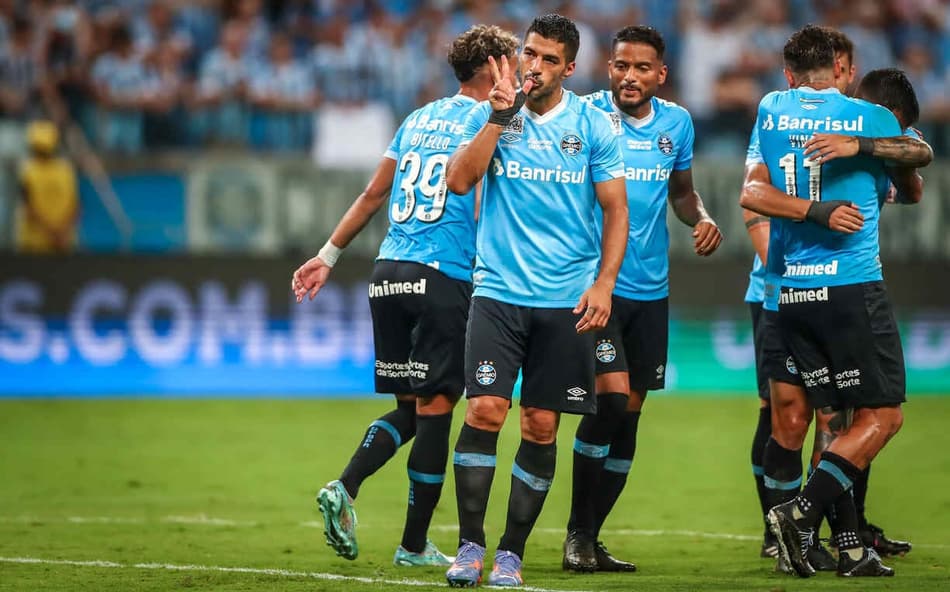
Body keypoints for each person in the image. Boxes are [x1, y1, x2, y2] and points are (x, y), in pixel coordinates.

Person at [290, 24, 520, 567]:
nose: (520, 71)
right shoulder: (496, 119)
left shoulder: (419, 117)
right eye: (512, 60)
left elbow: (374, 192)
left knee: (411, 411)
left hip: (388, 272)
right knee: (437, 410)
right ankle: (411, 543)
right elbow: (486, 192)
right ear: (492, 67)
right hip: (442, 275)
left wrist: (327, 255)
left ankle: (347, 487)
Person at [442, 13, 628, 588]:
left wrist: (604, 283)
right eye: (530, 53)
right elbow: (458, 181)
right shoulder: (493, 113)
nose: (535, 65)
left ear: (569, 68)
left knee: (541, 425)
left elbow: (616, 210)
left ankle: (510, 553)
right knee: (483, 412)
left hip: (564, 302)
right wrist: (498, 118)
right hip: (497, 292)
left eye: (550, 59)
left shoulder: (594, 126)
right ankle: (470, 546)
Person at [740, 25, 921, 578]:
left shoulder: (771, 107)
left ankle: (849, 543)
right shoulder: (869, 117)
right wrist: (861, 145)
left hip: (791, 292)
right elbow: (919, 156)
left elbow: (752, 192)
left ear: (790, 71)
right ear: (842, 68)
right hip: (849, 289)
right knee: (882, 416)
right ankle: (799, 514)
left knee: (819, 420)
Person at [562, 25, 722, 573]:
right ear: (609, 67)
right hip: (595, 287)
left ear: (661, 74)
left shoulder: (676, 124)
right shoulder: (581, 115)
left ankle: (588, 535)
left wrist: (699, 217)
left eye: (641, 68)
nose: (629, 76)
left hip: (651, 292)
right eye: (620, 65)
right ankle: (578, 534)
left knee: (629, 415)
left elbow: (681, 192)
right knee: (607, 403)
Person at [17, 120, 79, 254]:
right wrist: (57, 234)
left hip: (59, 241)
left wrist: (59, 233)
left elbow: (75, 205)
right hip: (37, 243)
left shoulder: (64, 169)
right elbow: (28, 208)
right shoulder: (28, 170)